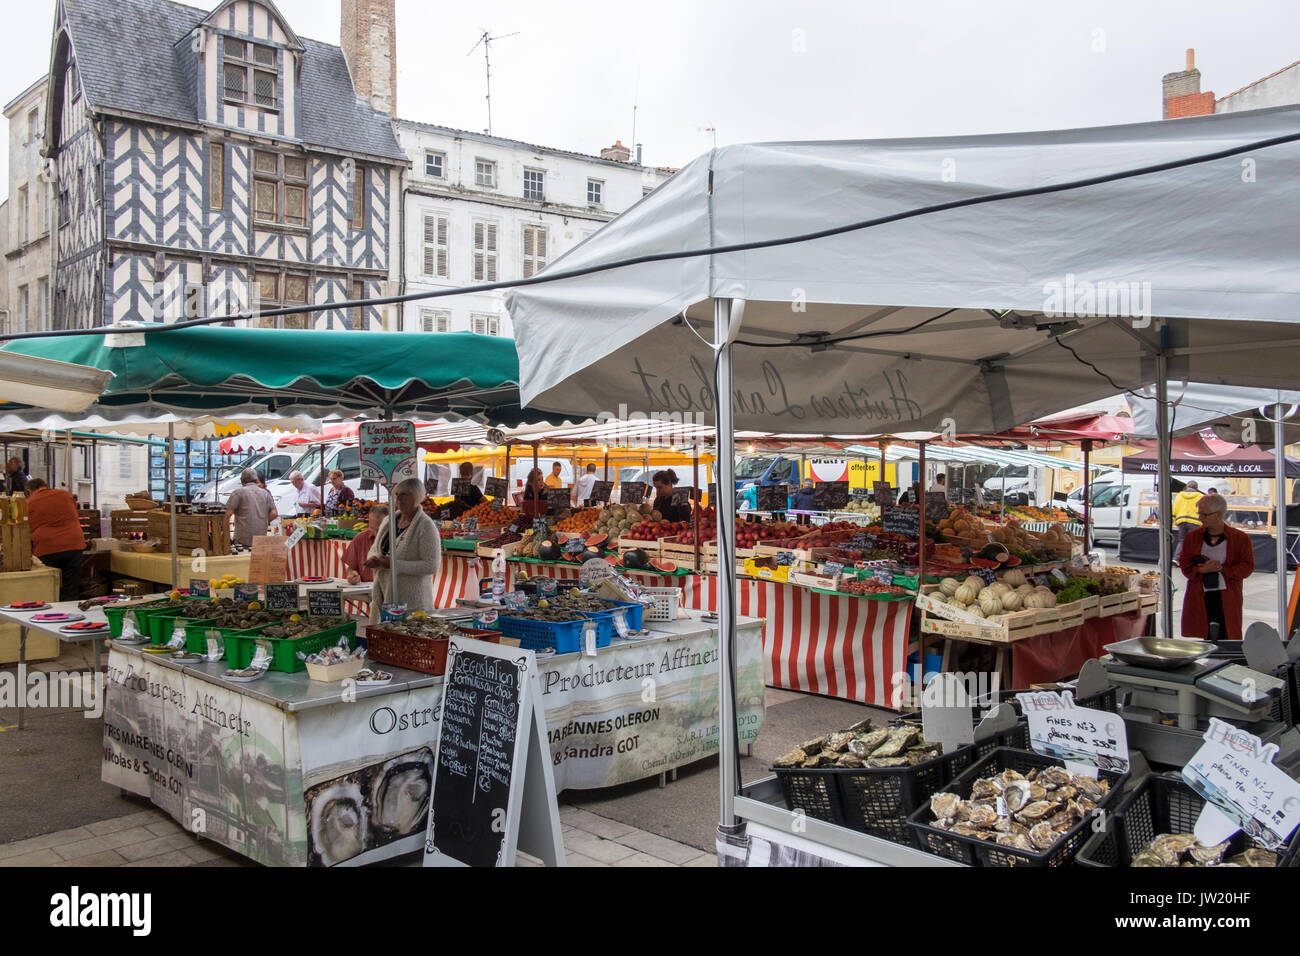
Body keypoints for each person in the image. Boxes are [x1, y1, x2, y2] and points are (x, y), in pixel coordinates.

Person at [1178, 493, 1253, 641]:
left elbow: (1247, 567)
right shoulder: (1192, 537)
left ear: (1218, 515)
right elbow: (1184, 563)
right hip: (1200, 595)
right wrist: (1201, 570)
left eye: (1204, 515)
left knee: (1227, 634)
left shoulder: (1240, 538)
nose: (1200, 518)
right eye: (1199, 514)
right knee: (1203, 635)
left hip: (1227, 596)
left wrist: (1222, 569)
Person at [365, 478, 440, 620]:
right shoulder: (389, 520)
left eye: (404, 494)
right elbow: (375, 548)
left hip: (412, 603)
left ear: (417, 497)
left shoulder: (425, 526)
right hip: (383, 595)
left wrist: (393, 564)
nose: (398, 499)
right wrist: (374, 559)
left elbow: (431, 566)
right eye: (396, 494)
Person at [26, 478, 85, 601]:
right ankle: (72, 616)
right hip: (73, 544)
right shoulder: (65, 495)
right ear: (45, 485)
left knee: (49, 586)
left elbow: (28, 526)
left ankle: (51, 616)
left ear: (30, 491)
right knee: (71, 587)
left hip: (47, 547)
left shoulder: (31, 502)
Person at [225, 467, 278, 549]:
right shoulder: (265, 493)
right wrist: (263, 521)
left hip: (242, 539)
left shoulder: (238, 493)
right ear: (256, 479)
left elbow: (227, 514)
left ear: (242, 481)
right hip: (261, 539)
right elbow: (274, 513)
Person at [343, 504, 388, 584]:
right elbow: (350, 569)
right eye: (372, 528)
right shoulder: (359, 539)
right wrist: (352, 575)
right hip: (366, 590)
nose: (376, 533)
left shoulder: (398, 538)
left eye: (380, 529)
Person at [1172, 480, 1204, 559]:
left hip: (1181, 520)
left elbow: (1174, 508)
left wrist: (1174, 519)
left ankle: (1176, 558)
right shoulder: (1201, 496)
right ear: (1196, 488)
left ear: (1186, 486)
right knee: (1194, 541)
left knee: (1182, 540)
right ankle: (1191, 559)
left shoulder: (1179, 495)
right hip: (1195, 521)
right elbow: (1203, 509)